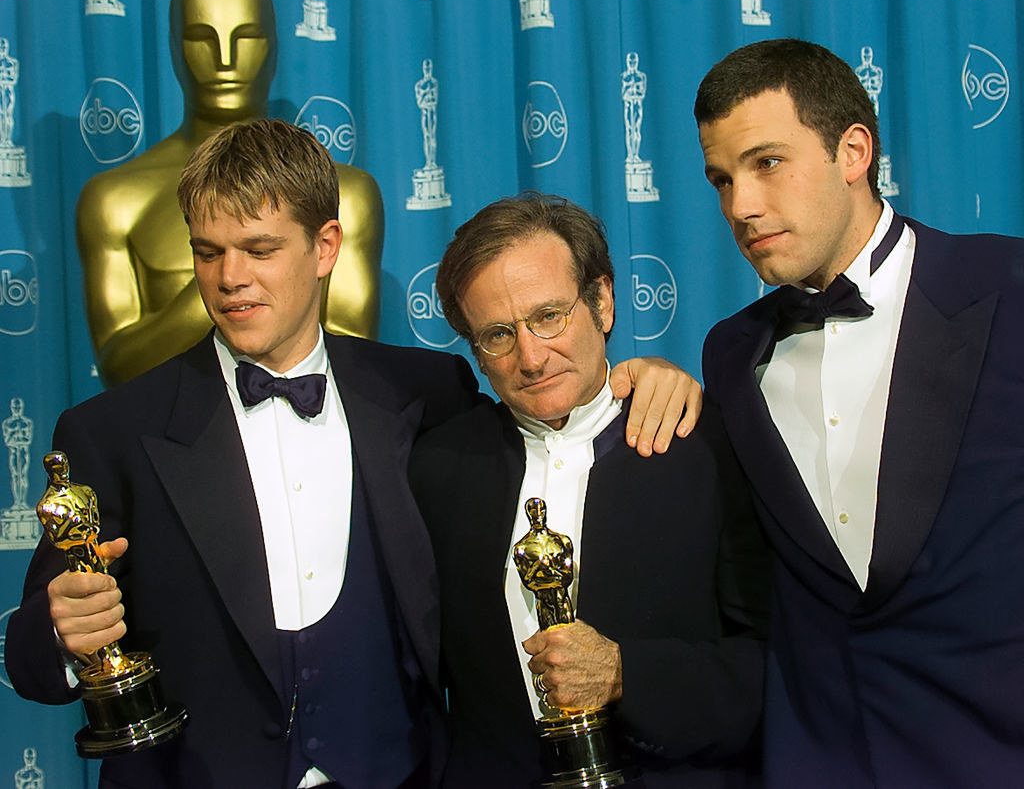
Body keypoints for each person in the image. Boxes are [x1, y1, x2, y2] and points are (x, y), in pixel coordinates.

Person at [6, 120, 702, 788]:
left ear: (326, 246)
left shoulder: (427, 392)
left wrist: (638, 380)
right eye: (208, 251)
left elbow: (550, 425)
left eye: (259, 248)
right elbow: (30, 659)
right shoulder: (111, 431)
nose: (229, 278)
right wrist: (63, 635)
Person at [696, 38, 1024, 786]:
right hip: (824, 759)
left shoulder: (1008, 287)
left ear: (852, 152)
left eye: (766, 163)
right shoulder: (731, 355)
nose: (740, 206)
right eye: (721, 179)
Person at [409, 193, 769, 788]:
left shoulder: (706, 446)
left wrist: (629, 674)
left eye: (550, 316)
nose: (531, 356)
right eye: (498, 334)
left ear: (602, 301)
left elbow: (778, 666)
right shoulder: (436, 470)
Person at [76, 0, 384, 387]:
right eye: (202, 38)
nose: (225, 59)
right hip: (167, 439)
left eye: (247, 38)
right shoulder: (113, 201)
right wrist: (233, 285)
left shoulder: (347, 193)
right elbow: (119, 367)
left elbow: (352, 355)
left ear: (275, 48)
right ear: (172, 48)